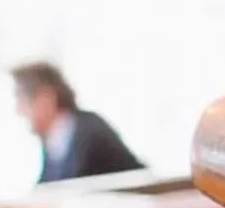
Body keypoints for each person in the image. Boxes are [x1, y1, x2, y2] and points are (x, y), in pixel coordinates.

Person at [11, 62, 143, 183]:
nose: (19, 111)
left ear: (45, 98)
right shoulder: (54, 142)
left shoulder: (90, 131)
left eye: (21, 100)